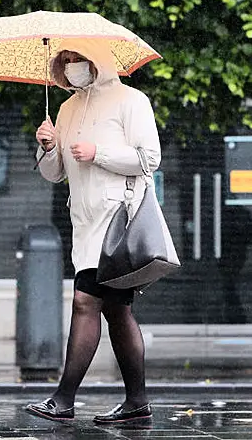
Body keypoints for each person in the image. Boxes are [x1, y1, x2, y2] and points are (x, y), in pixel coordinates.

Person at [26, 39, 160, 427]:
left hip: (118, 221)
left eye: (77, 59)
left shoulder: (131, 101)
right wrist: (50, 147)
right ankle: (137, 402)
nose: (71, 66)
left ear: (96, 59)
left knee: (86, 301)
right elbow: (57, 174)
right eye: (64, 60)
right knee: (117, 311)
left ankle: (63, 398)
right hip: (85, 224)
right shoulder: (67, 108)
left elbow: (149, 159)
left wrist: (97, 151)